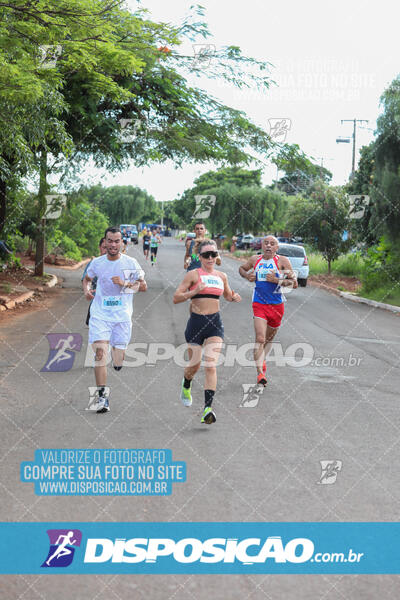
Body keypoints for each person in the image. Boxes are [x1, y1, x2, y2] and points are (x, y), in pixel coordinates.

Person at [173, 239, 241, 424]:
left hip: (215, 324)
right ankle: (186, 383)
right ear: (200, 256)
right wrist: (194, 292)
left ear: (217, 255)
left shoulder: (222, 276)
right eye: (206, 255)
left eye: (213, 254)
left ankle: (207, 409)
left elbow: (227, 294)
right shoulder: (193, 275)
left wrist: (233, 297)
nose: (210, 258)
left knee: (211, 365)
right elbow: (176, 298)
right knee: (194, 366)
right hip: (195, 324)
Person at [83, 226, 147, 413]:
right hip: (100, 315)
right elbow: (86, 279)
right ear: (105, 242)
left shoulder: (131, 263)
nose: (112, 244)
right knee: (101, 354)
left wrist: (125, 283)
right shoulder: (97, 263)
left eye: (116, 241)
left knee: (118, 358)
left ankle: (118, 360)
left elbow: (143, 287)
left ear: (121, 243)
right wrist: (87, 291)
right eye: (109, 241)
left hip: (122, 316)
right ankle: (102, 397)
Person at [238, 235, 297, 386]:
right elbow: (242, 269)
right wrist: (247, 275)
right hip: (259, 303)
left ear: (277, 248)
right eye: (266, 243)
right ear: (261, 246)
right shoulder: (254, 259)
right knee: (260, 338)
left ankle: (262, 361)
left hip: (277, 305)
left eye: (272, 244)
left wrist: (277, 280)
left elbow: (294, 283)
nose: (269, 246)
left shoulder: (282, 261)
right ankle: (260, 374)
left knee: (269, 339)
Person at [81, 237, 107, 325]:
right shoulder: (94, 263)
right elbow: (86, 280)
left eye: (108, 248)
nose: (106, 250)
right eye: (104, 247)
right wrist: (87, 291)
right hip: (97, 304)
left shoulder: (120, 263)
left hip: (115, 307)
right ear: (99, 247)